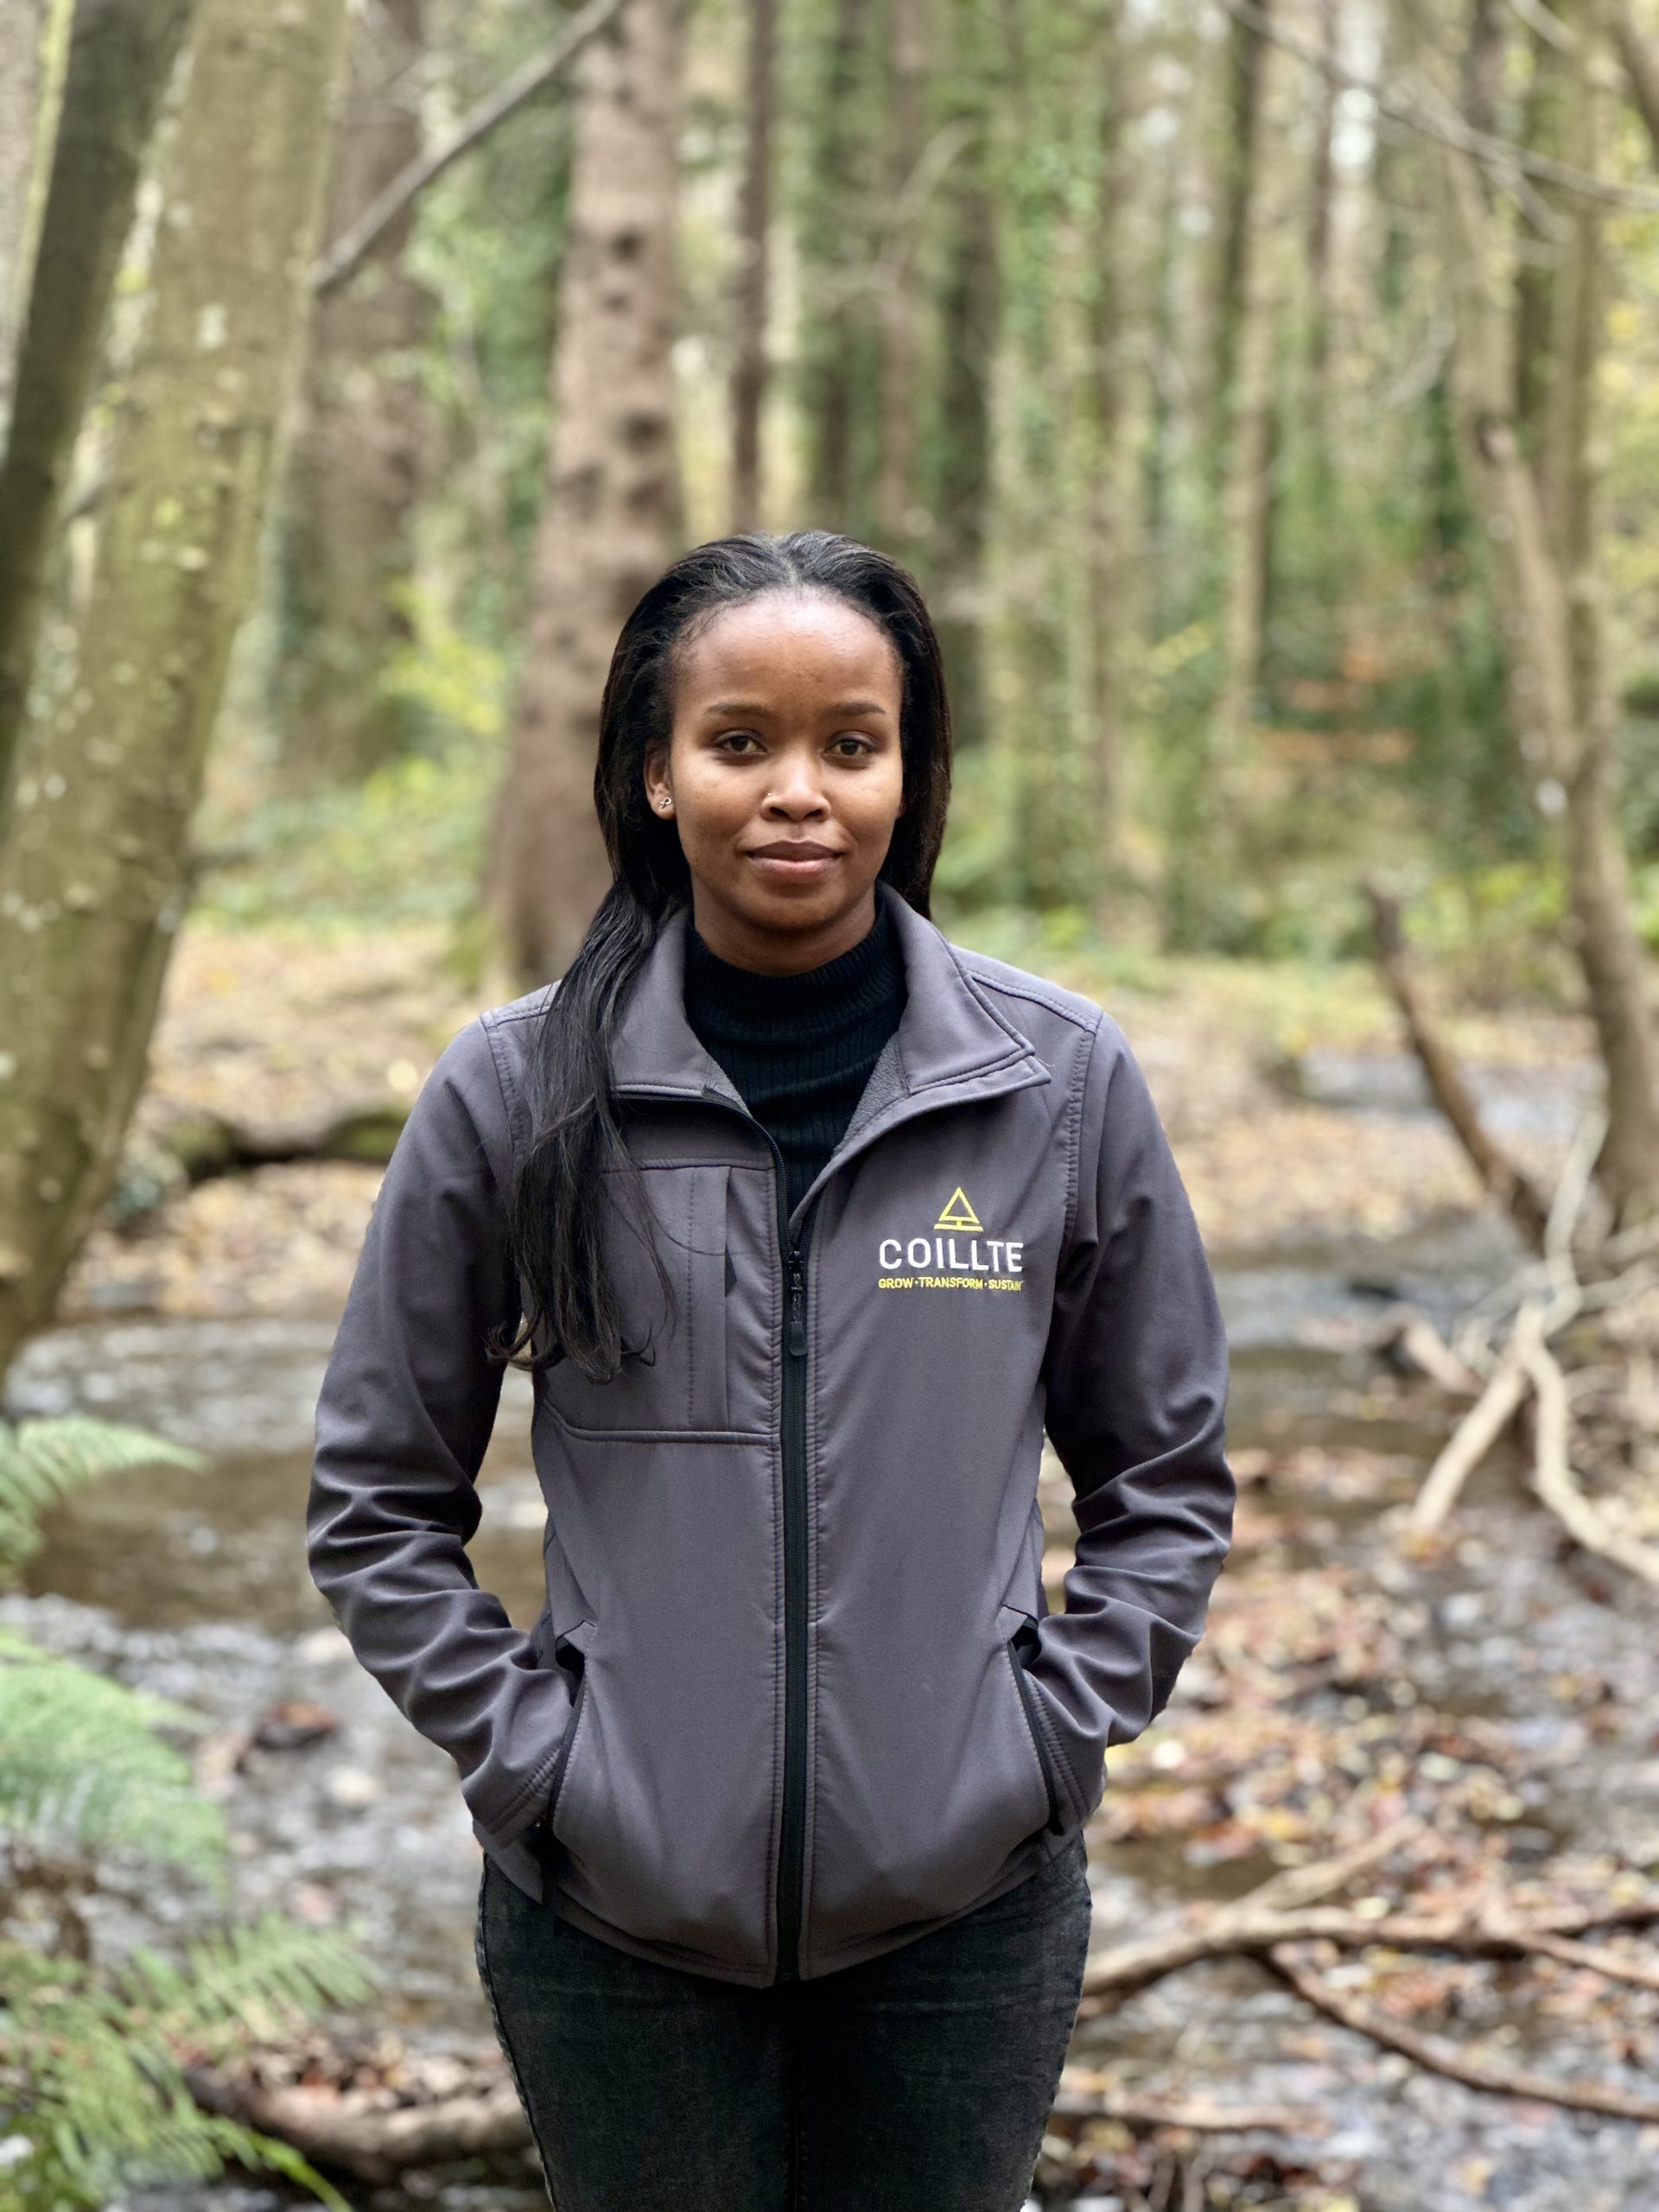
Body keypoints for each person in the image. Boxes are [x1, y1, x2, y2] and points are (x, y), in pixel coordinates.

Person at [306, 529, 1236, 2211]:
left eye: (849, 744)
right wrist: (537, 1759)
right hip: (614, 1920)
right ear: (655, 771)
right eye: (741, 741)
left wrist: (1039, 1745)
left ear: (909, 769)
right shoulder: (515, 1095)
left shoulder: (1059, 1086)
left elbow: (1165, 1477)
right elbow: (375, 1501)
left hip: (965, 1915)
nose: (797, 790)